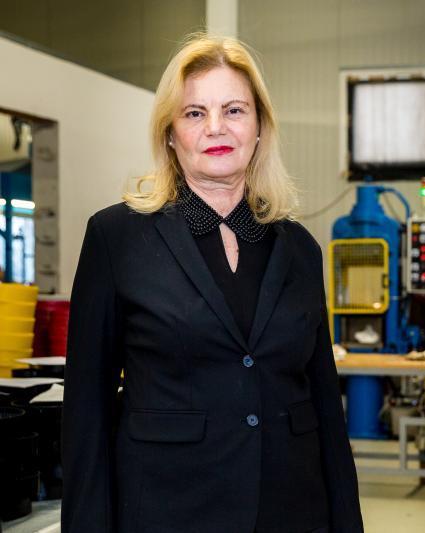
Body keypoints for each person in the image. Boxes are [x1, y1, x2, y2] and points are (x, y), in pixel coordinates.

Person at [62, 34, 363, 533]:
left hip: (293, 511)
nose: (216, 127)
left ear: (260, 127)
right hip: (166, 512)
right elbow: (85, 411)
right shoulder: (117, 239)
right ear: (170, 133)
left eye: (234, 110)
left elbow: (326, 407)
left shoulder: (301, 250)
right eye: (195, 113)